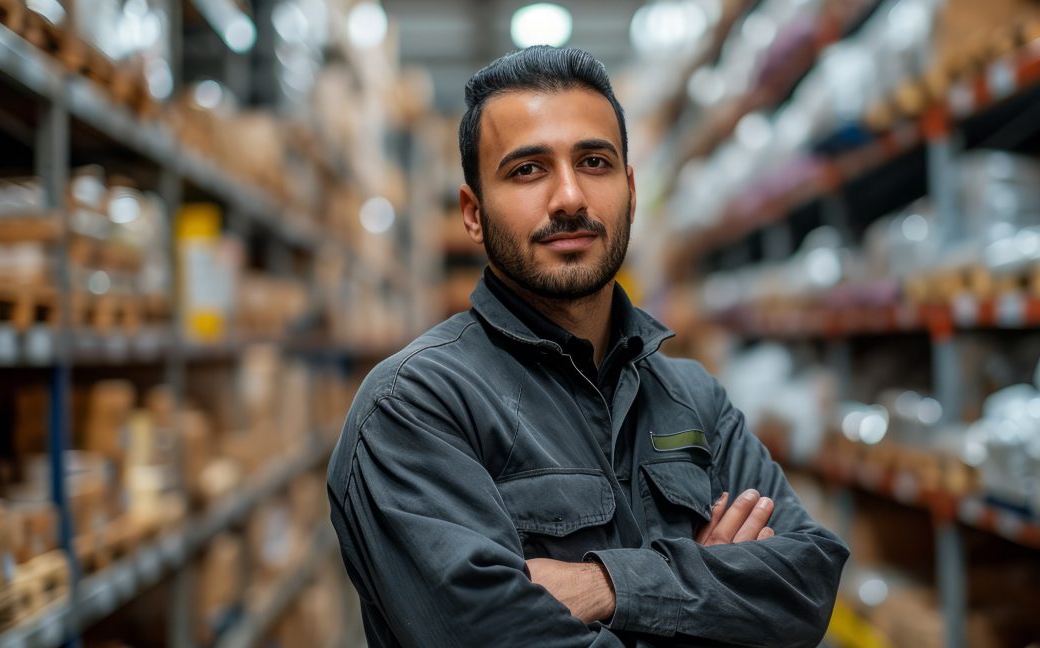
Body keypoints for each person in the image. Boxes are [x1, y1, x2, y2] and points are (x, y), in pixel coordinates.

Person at [327, 46, 849, 647]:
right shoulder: (414, 408)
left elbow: (807, 582)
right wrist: (712, 597)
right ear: (473, 214)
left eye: (594, 162)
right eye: (527, 170)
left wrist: (606, 585)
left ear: (629, 187)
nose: (569, 197)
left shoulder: (694, 400)